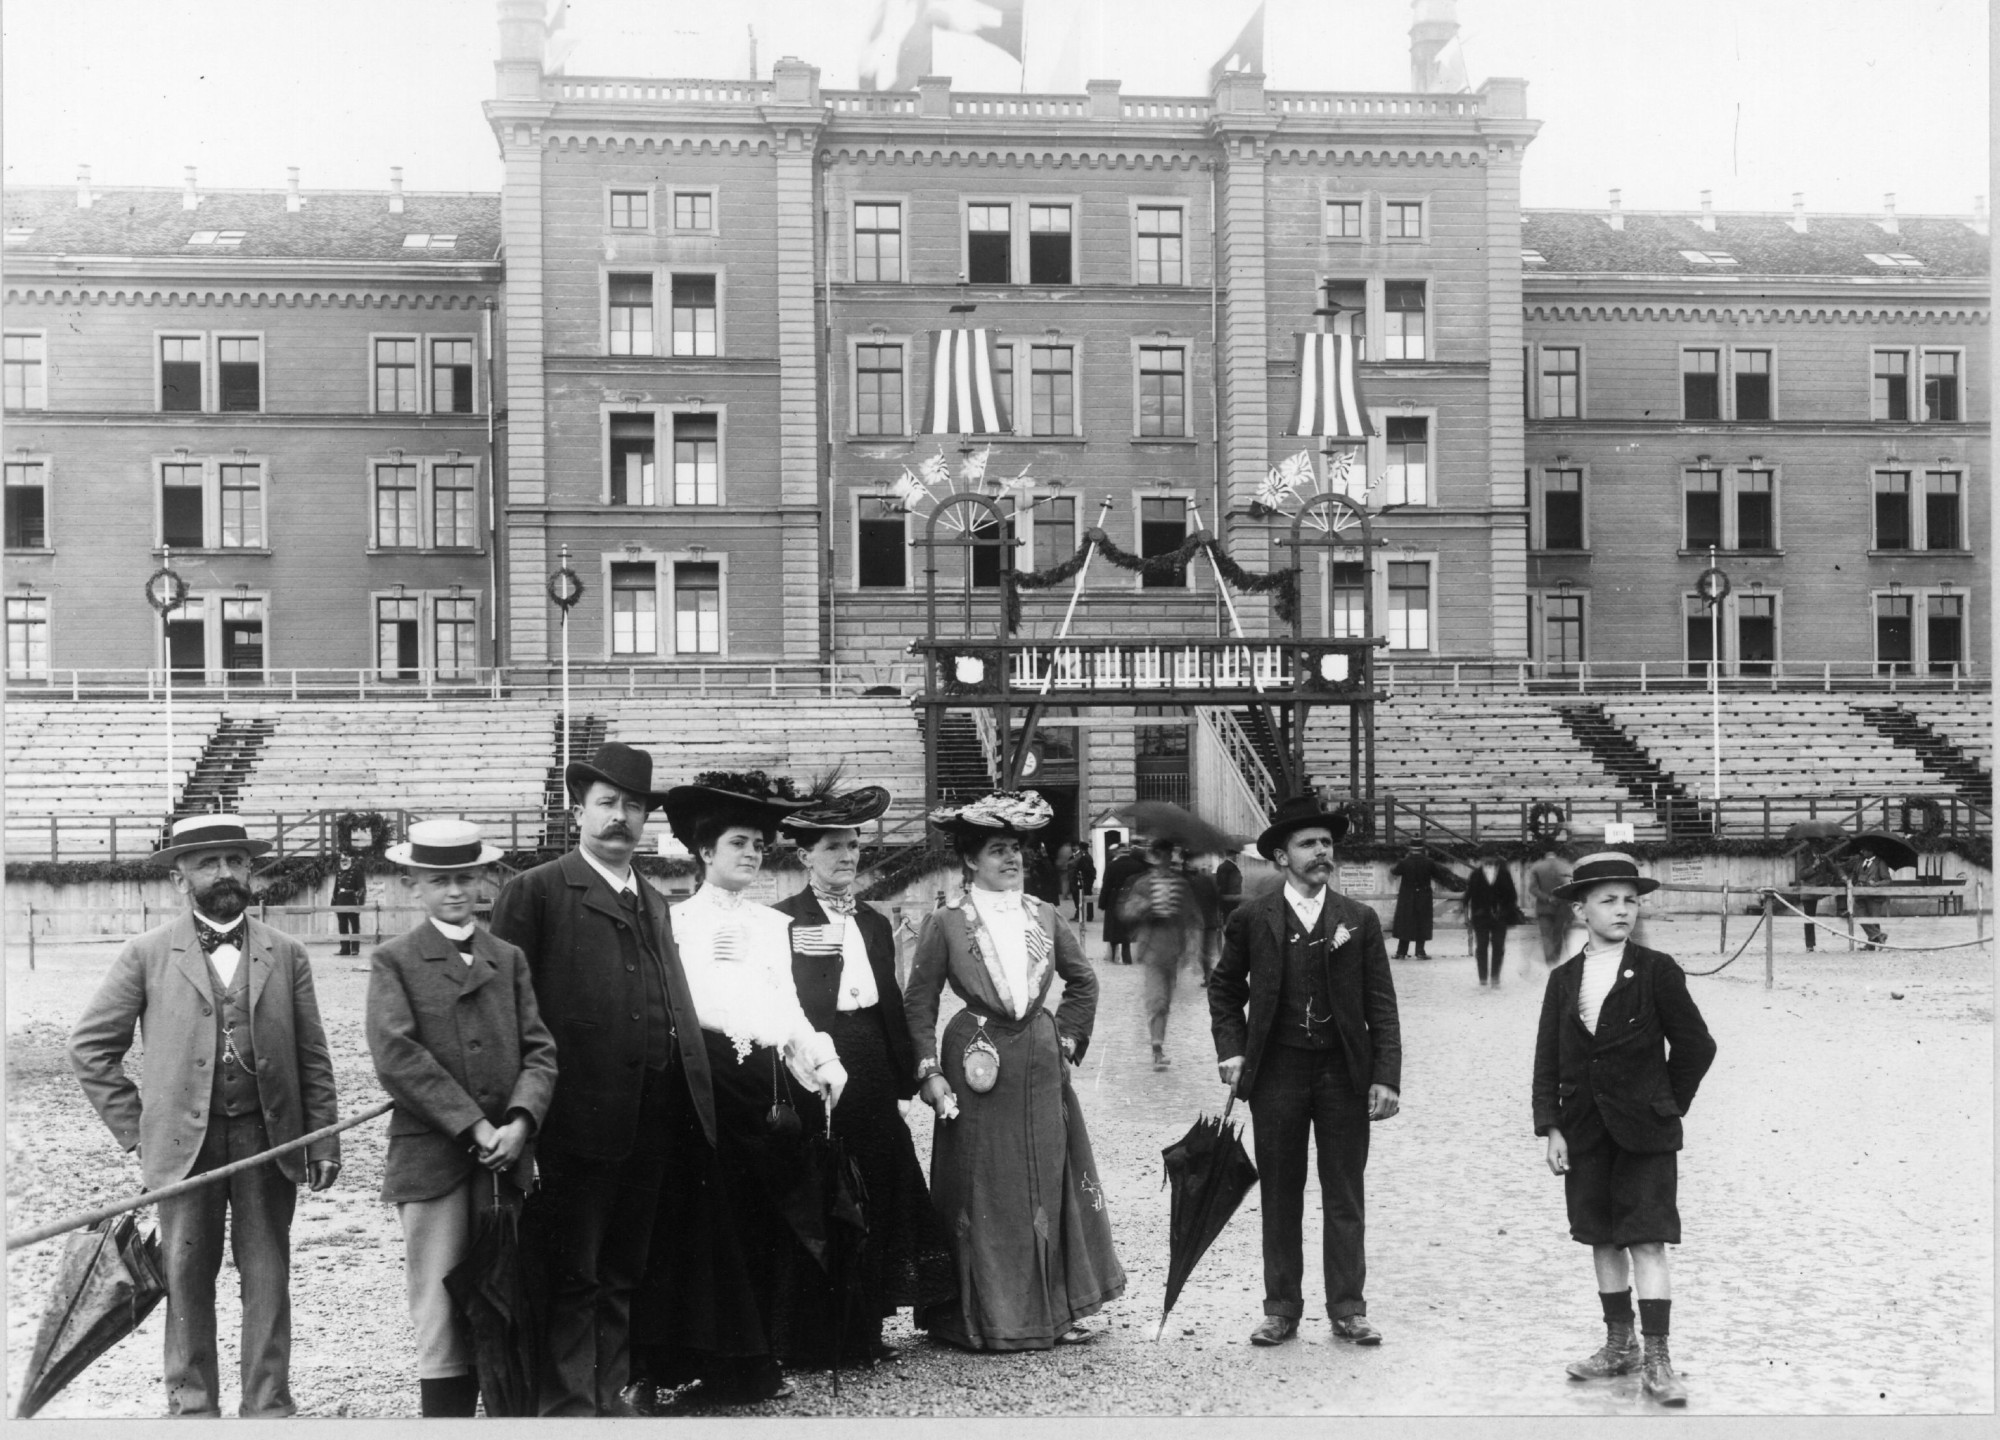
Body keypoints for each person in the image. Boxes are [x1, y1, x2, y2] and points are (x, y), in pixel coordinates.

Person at [69, 813, 341, 1418]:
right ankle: (192, 1411)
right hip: (182, 1150)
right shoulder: (145, 954)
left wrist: (323, 1141)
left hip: (267, 1140)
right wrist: (138, 1133)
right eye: (208, 863)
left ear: (251, 870)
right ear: (180, 876)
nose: (225, 874)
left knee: (268, 1275)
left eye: (236, 861)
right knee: (186, 1279)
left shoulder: (288, 953)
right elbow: (90, 1049)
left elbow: (312, 1054)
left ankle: (268, 1407)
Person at [488, 742, 717, 1418]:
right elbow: (509, 1019)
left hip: (650, 1118)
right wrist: (524, 1125)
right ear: (578, 808)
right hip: (571, 1125)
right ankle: (567, 1411)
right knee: (572, 1274)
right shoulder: (537, 892)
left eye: (634, 807)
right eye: (608, 804)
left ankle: (613, 1404)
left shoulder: (653, 899)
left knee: (623, 1272)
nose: (621, 818)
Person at [634, 775, 850, 1406]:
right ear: (704, 852)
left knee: (759, 1222)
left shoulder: (769, 923)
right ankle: (678, 1363)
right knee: (699, 1227)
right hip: (698, 1085)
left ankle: (749, 1365)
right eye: (738, 843)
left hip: (763, 1086)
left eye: (759, 844)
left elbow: (786, 1006)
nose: (752, 854)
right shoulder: (671, 921)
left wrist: (820, 1056)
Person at [906, 790, 1126, 1351]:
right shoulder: (946, 922)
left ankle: (1056, 1310)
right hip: (976, 1058)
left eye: (1018, 850)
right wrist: (930, 1071)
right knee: (983, 1188)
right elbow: (920, 1001)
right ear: (971, 860)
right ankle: (981, 1316)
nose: (1013, 860)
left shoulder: (1045, 916)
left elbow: (1084, 980)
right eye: (999, 850)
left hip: (1040, 1059)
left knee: (1046, 1182)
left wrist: (1068, 1038)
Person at [364, 820, 557, 1419]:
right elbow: (397, 1056)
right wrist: (474, 1126)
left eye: (466, 878)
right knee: (441, 1302)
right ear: (414, 885)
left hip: (505, 1159)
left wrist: (521, 1122)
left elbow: (540, 1051)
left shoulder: (509, 958)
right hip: (434, 1160)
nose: (455, 891)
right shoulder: (394, 960)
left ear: (485, 881)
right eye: (440, 880)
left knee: (503, 1296)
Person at [770, 787, 957, 1365]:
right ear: (805, 855)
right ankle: (815, 1331)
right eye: (833, 847)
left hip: (871, 1062)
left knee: (877, 1185)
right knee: (826, 1188)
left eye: (853, 846)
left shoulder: (874, 923)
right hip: (817, 1063)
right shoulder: (781, 921)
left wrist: (910, 1080)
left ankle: (867, 1323)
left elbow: (892, 1004)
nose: (847, 856)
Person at [1208, 796, 1401, 1349]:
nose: (1322, 853)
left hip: (1345, 1073)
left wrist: (1385, 1075)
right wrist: (1233, 1050)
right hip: (1277, 1073)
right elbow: (1224, 990)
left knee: (1345, 1191)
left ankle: (1348, 1307)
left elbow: (1381, 1003)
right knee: (1281, 1192)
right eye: (1308, 844)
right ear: (1280, 857)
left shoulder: (1358, 920)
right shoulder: (1251, 918)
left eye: (1326, 843)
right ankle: (1280, 1309)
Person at [1532, 853, 1716, 1408]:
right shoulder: (1564, 980)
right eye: (1608, 900)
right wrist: (1552, 1129)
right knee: (1601, 1235)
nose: (1622, 910)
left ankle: (1658, 1357)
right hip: (1585, 1131)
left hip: (1644, 1131)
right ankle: (1620, 1344)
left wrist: (1667, 1104)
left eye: (1630, 900)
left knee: (1647, 1237)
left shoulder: (1657, 969)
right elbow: (1548, 1060)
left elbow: (1696, 1045)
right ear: (1580, 910)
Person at [1118, 838, 1203, 1071]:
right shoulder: (1143, 884)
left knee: (1165, 1002)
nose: (1164, 860)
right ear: (1154, 858)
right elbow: (1127, 912)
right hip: (1152, 948)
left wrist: (1193, 949)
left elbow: (1192, 917)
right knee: (1158, 1000)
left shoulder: (1180, 884)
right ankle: (1157, 1049)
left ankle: (1159, 1043)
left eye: (1167, 855)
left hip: (1174, 949)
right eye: (1160, 855)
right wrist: (1146, 907)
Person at [1388, 839, 1462, 960]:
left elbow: (1394, 871)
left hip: (1407, 897)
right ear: (1423, 849)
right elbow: (1439, 874)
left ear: (1410, 849)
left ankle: (1401, 952)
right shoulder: (1429, 862)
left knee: (1405, 924)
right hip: (1423, 897)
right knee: (1422, 923)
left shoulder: (1404, 862)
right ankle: (1420, 952)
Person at [1460, 847, 1523, 989]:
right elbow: (1468, 895)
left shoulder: (1504, 874)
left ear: (1496, 859)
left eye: (1491, 857)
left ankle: (1495, 977)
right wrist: (1467, 914)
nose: (1488, 861)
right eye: (1485, 858)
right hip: (1480, 917)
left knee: (1498, 947)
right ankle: (1483, 977)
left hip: (1499, 917)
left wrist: (1505, 910)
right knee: (1481, 947)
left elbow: (1512, 896)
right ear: (1482, 860)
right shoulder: (1475, 874)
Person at [1524, 843, 1575, 970]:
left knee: (1546, 936)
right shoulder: (1565, 866)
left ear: (1544, 854)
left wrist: (1547, 898)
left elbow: (1532, 889)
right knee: (1558, 935)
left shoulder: (1537, 867)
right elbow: (1571, 886)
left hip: (1544, 907)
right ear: (1557, 853)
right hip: (1562, 907)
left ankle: (1549, 963)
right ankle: (1556, 962)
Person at [1098, 837, 1147, 964]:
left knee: (1114, 929)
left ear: (1119, 852)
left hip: (1114, 897)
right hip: (1132, 897)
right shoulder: (1138, 866)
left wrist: (1102, 902)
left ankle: (1114, 956)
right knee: (1127, 928)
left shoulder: (1112, 865)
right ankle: (1127, 956)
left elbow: (1106, 885)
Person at [332, 848, 367, 957]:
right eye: (342, 860)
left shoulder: (357, 871)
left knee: (355, 926)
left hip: (352, 900)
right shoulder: (338, 872)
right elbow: (335, 889)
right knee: (342, 926)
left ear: (350, 860)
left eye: (346, 859)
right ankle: (344, 949)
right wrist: (333, 904)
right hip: (340, 900)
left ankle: (355, 949)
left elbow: (362, 888)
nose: (344, 862)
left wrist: (360, 904)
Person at [1068, 842, 1096, 925]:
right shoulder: (1087, 856)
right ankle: (1088, 915)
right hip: (1088, 879)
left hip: (1085, 880)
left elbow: (1084, 868)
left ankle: (1085, 916)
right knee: (1087, 897)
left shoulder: (1084, 857)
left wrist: (1078, 872)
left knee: (1083, 898)